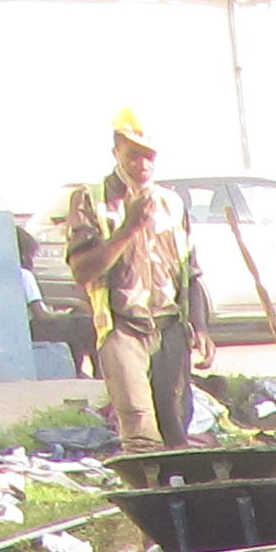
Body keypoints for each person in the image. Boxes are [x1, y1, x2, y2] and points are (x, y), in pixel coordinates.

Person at [66, 109, 201, 454]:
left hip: (170, 327)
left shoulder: (172, 203)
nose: (143, 163)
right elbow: (82, 270)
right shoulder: (90, 200)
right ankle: (151, 500)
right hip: (123, 327)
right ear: (117, 154)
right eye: (134, 155)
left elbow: (192, 271)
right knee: (141, 434)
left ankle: (182, 501)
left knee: (176, 428)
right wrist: (128, 229)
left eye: (149, 155)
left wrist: (200, 327)